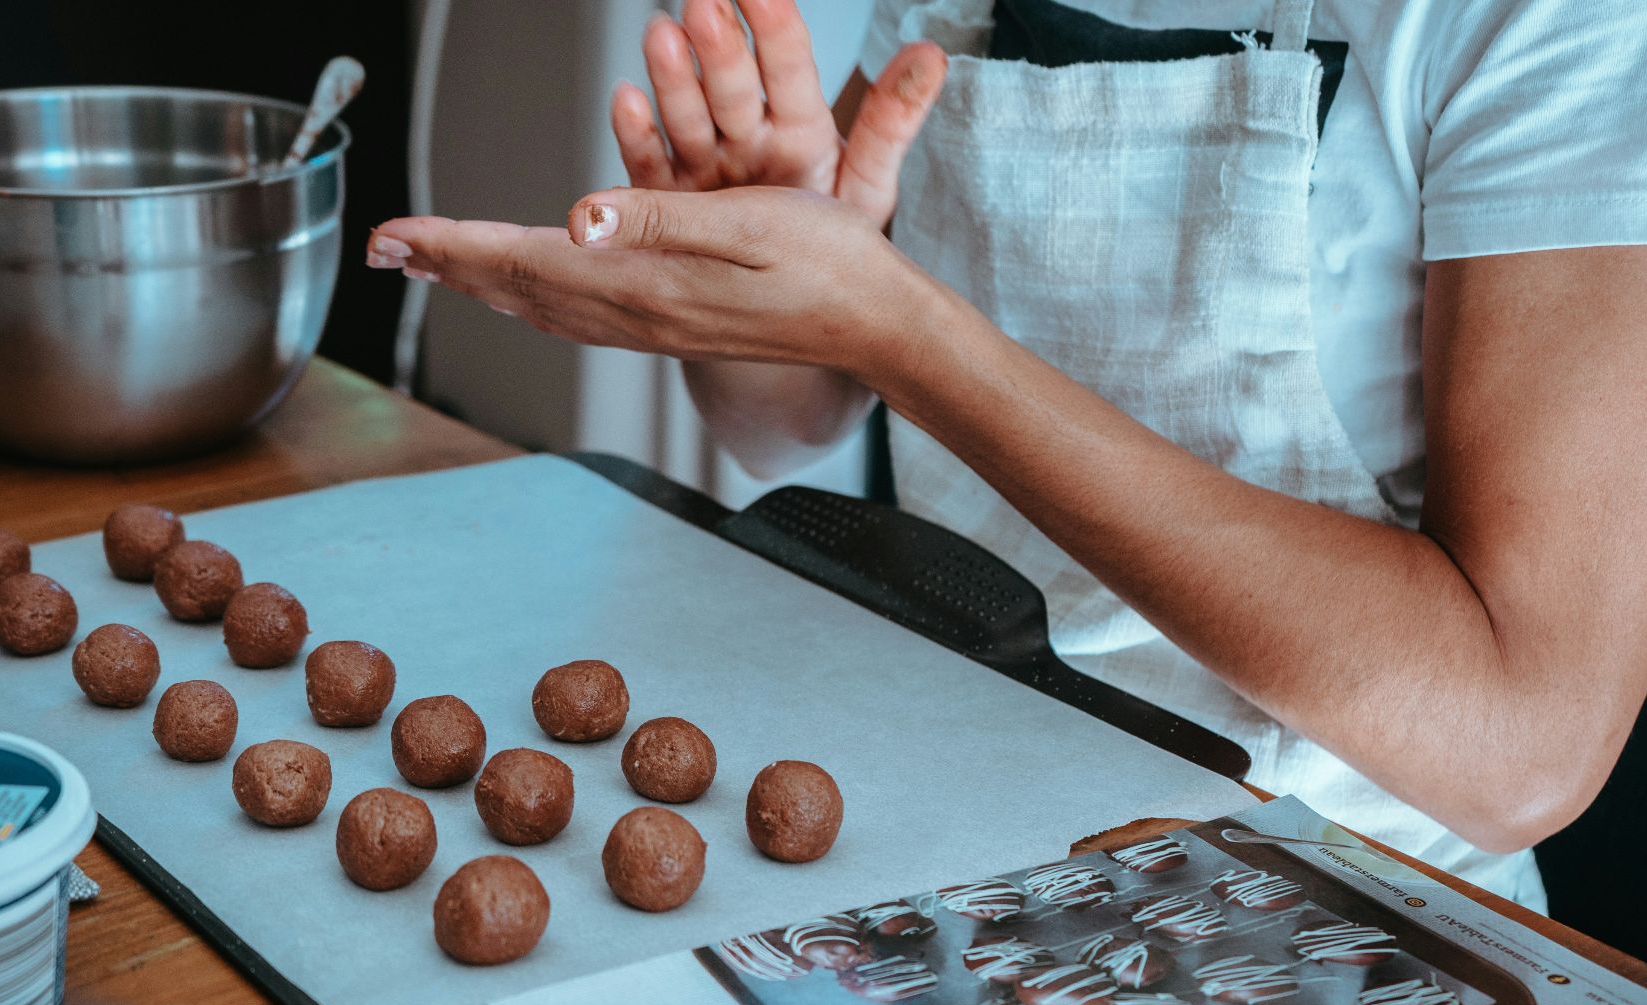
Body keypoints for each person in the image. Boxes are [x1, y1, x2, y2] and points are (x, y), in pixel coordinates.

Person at [368, 0, 1647, 908]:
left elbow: (1519, 741)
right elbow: (788, 421)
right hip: (940, 845)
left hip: (1355, 912)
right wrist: (758, 278)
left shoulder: (1544, 27)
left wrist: (906, 334)